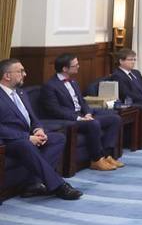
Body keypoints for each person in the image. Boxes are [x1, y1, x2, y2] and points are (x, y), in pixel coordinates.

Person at [0, 58, 82, 200]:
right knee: (25, 144)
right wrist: (26, 137)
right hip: (9, 140)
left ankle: (34, 182)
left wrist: (38, 129)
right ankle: (59, 186)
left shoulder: (21, 93)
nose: (24, 74)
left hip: (27, 135)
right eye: (20, 71)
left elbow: (33, 117)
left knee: (58, 138)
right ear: (7, 76)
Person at [40, 53, 123, 171]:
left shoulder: (73, 82)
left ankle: (106, 155)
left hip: (82, 115)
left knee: (115, 118)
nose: (78, 67)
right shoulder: (50, 86)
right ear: (65, 68)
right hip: (69, 119)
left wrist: (87, 113)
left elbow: (82, 101)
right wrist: (79, 118)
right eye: (75, 65)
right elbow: (54, 110)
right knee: (93, 124)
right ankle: (96, 160)